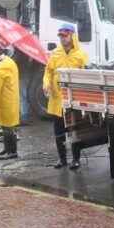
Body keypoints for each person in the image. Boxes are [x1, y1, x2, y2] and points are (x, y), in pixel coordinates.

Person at [43, 24, 88, 170]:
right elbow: (48, 72)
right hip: (57, 100)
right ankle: (62, 159)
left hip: (73, 99)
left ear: (72, 36)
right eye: (61, 36)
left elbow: (87, 75)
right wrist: (46, 84)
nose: (63, 38)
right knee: (58, 131)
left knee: (74, 130)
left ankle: (76, 160)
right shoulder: (55, 53)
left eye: (65, 35)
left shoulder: (81, 55)